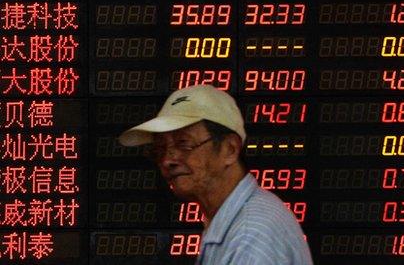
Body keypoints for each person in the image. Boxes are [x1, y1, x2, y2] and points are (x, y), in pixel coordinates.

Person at [118, 84, 313, 265]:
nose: (167, 160)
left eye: (184, 143)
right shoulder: (235, 220)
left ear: (230, 149)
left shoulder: (250, 237)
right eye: (160, 148)